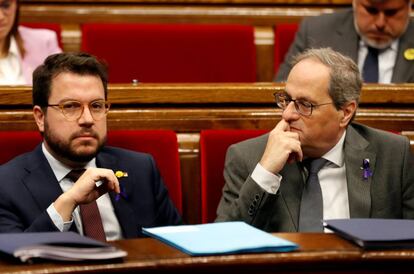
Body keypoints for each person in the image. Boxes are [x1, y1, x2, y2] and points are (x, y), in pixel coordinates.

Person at [216, 48, 414, 232]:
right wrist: (266, 172)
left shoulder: (394, 155)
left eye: (304, 104)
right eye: (286, 99)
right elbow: (224, 243)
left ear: (345, 113)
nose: (287, 114)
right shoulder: (249, 158)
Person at [0, 52, 181, 240]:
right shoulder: (6, 185)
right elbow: (12, 261)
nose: (87, 119)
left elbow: (178, 249)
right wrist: (67, 203)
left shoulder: (141, 169)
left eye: (96, 106)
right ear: (40, 117)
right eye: (70, 106)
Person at [275, 0, 414, 83]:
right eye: (371, 10)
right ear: (355, 3)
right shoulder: (316, 31)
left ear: (409, 5)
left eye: (391, 12)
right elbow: (283, 89)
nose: (380, 23)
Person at [0, 0, 61, 85]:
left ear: (16, 5)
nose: (1, 16)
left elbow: (63, 88)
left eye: (6, 5)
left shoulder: (44, 42)